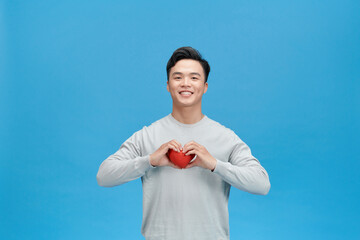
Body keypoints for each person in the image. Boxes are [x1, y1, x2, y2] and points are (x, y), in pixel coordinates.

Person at [96, 46, 271, 240]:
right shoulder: (146, 136)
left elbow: (262, 184)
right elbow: (104, 176)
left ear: (205, 86)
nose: (185, 83)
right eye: (178, 77)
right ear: (168, 85)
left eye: (194, 78)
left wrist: (215, 164)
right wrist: (150, 161)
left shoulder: (225, 137)